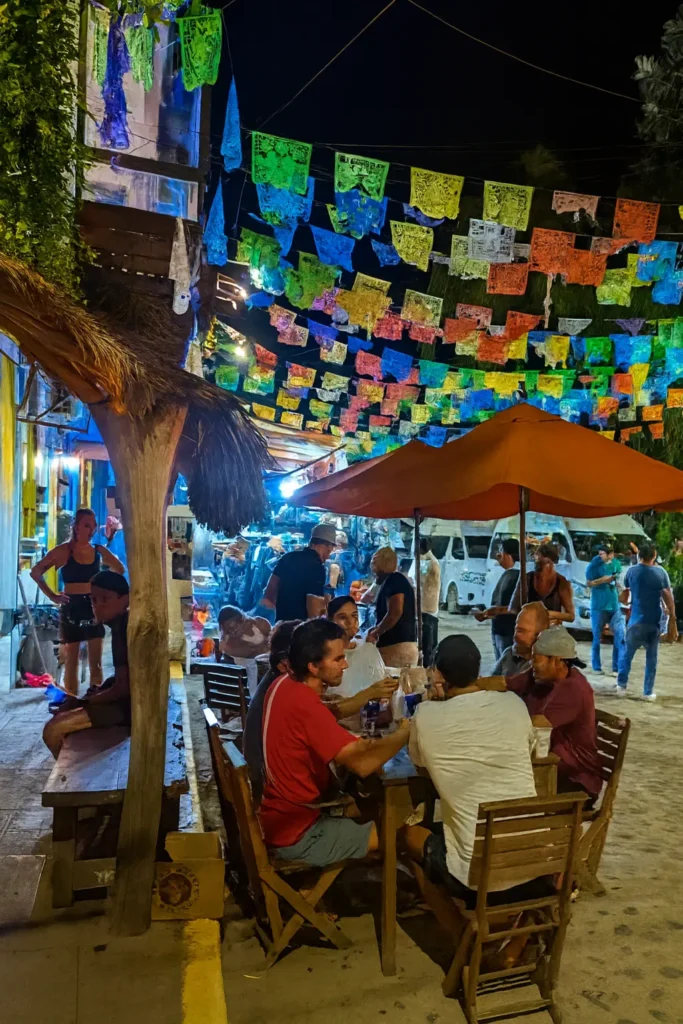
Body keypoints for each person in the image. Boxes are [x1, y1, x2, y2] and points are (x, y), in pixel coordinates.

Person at [259, 618, 410, 866]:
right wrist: (407, 732)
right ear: (314, 666)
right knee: (401, 835)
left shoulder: (283, 684)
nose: (346, 664)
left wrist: (370, 693)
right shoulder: (305, 705)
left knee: (367, 802)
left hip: (279, 816)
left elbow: (330, 712)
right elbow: (363, 762)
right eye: (338, 659)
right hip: (301, 834)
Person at [403, 634, 537, 897]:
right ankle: (518, 932)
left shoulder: (426, 714)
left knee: (408, 836)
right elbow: (528, 748)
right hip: (533, 859)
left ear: (438, 675)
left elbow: (420, 765)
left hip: (474, 874)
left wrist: (433, 704)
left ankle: (460, 929)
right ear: (478, 670)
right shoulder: (514, 703)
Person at [31, 508, 125, 694]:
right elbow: (36, 572)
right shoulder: (64, 551)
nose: (91, 530)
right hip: (71, 607)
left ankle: (95, 704)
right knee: (71, 663)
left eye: (93, 526)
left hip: (93, 607)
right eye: (86, 525)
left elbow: (120, 569)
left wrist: (104, 591)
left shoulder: (98, 551)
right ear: (76, 527)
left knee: (96, 664)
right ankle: (71, 703)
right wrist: (53, 596)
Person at [507, 626, 602, 804]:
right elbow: (503, 683)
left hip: (575, 781)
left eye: (537, 660)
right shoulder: (539, 677)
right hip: (550, 768)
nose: (532, 664)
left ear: (556, 661)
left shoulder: (573, 689)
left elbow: (534, 724)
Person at [43, 571, 131, 758]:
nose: (97, 607)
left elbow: (124, 688)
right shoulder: (120, 624)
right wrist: (101, 691)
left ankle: (69, 779)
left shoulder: (123, 629)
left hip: (129, 710)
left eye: (105, 599)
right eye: (94, 600)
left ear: (125, 599)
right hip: (126, 704)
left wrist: (84, 701)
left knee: (53, 730)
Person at [244, 618, 301, 802]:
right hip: (274, 792)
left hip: (265, 779)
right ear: (285, 663)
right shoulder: (282, 691)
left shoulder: (274, 681)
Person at [617, 543, 678, 701]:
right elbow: (667, 595)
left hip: (635, 620)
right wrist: (672, 616)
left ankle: (621, 685)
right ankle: (648, 692)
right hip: (653, 620)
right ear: (654, 555)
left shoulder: (632, 572)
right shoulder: (661, 573)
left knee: (627, 654)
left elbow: (627, 591)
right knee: (652, 658)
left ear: (639, 556)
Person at [262, 523, 337, 621]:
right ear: (318, 545)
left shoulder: (288, 557)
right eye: (328, 551)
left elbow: (269, 593)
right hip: (301, 630)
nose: (327, 556)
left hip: (281, 625)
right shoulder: (317, 567)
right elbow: (314, 609)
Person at [366, 547, 418, 668]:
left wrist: (376, 632)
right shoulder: (393, 581)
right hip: (400, 645)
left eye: (373, 565)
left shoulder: (394, 580)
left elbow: (395, 612)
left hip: (397, 646)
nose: (372, 571)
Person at [475, 539, 520, 661]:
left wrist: (493, 611)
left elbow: (516, 607)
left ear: (508, 555)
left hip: (508, 631)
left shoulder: (517, 575)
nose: (498, 555)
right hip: (498, 629)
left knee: (506, 667)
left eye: (501, 551)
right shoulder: (505, 573)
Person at [509, 543, 575, 625]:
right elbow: (513, 608)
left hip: (551, 632)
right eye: (537, 561)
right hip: (529, 629)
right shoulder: (527, 578)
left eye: (543, 562)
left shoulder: (561, 582)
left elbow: (571, 616)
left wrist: (549, 614)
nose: (537, 562)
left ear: (551, 562)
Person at [586, 544, 625, 679]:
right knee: (596, 637)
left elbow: (618, 578)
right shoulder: (594, 564)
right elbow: (589, 583)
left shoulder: (616, 564)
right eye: (599, 553)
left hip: (614, 605)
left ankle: (616, 667)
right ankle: (596, 666)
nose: (600, 555)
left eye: (603, 553)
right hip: (598, 605)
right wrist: (602, 580)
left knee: (619, 635)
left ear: (611, 554)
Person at [492, 601, 550, 676]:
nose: (515, 635)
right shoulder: (509, 654)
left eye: (521, 631)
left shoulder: (545, 666)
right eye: (516, 629)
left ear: (539, 635)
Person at [417, 538, 441, 668]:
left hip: (427, 608)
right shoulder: (429, 561)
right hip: (427, 607)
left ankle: (427, 671)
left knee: (427, 646)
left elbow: (418, 579)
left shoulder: (428, 562)